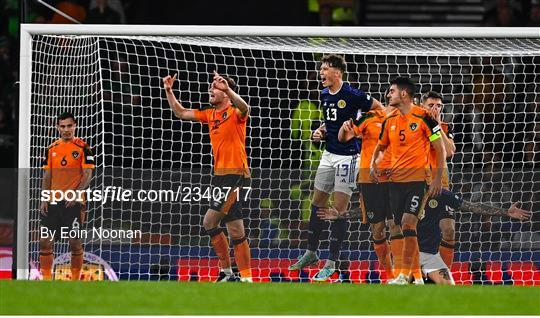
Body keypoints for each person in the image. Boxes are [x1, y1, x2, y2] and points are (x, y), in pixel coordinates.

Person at [288, 54, 383, 281]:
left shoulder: (352, 94)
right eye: (320, 69)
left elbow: (380, 109)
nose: (321, 73)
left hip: (348, 158)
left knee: (337, 210)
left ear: (337, 72)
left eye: (324, 69)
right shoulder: (323, 94)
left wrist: (358, 126)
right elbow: (330, 120)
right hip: (328, 155)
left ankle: (331, 263)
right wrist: (321, 130)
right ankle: (311, 252)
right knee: (317, 202)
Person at [317, 190, 532, 284]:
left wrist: (505, 212)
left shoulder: (440, 194)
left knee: (448, 290)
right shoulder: (400, 193)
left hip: (430, 256)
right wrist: (341, 214)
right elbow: (372, 211)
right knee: (401, 298)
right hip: (405, 258)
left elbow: (471, 207)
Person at [162, 71, 253, 282]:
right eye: (211, 86)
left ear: (227, 94)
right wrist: (169, 91)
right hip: (220, 176)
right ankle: (246, 278)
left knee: (209, 222)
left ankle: (227, 272)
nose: (210, 89)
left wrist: (227, 87)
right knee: (236, 230)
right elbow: (181, 113)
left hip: (236, 173)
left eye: (215, 86)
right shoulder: (210, 114)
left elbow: (245, 108)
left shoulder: (235, 113)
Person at [370, 77, 446, 285]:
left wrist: (438, 178)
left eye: (391, 91)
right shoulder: (390, 120)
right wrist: (374, 163)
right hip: (395, 183)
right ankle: (412, 276)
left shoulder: (424, 117)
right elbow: (381, 147)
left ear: (403, 94)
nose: (388, 95)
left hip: (417, 181)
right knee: (400, 226)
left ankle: (409, 276)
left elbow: (440, 148)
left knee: (408, 223)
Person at [338, 93, 396, 280]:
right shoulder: (369, 117)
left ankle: (402, 275)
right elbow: (344, 137)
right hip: (370, 181)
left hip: (396, 180)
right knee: (377, 229)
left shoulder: (407, 120)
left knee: (396, 227)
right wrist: (343, 127)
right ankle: (390, 274)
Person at [40, 112, 95, 280]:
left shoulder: (84, 147)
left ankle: (75, 281)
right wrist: (44, 197)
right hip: (54, 200)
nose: (66, 130)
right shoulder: (51, 148)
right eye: (62, 126)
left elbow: (88, 173)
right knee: (45, 242)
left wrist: (76, 194)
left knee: (74, 243)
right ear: (57, 127)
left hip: (74, 203)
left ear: (75, 126)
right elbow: (47, 176)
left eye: (69, 126)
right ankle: (47, 281)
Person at [421, 91, 457, 270]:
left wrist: (437, 127)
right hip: (418, 185)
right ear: (422, 106)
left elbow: (450, 152)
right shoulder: (415, 125)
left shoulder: (445, 127)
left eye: (438, 106)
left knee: (449, 230)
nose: (435, 109)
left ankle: (445, 274)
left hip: (441, 185)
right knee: (411, 231)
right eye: (431, 105)